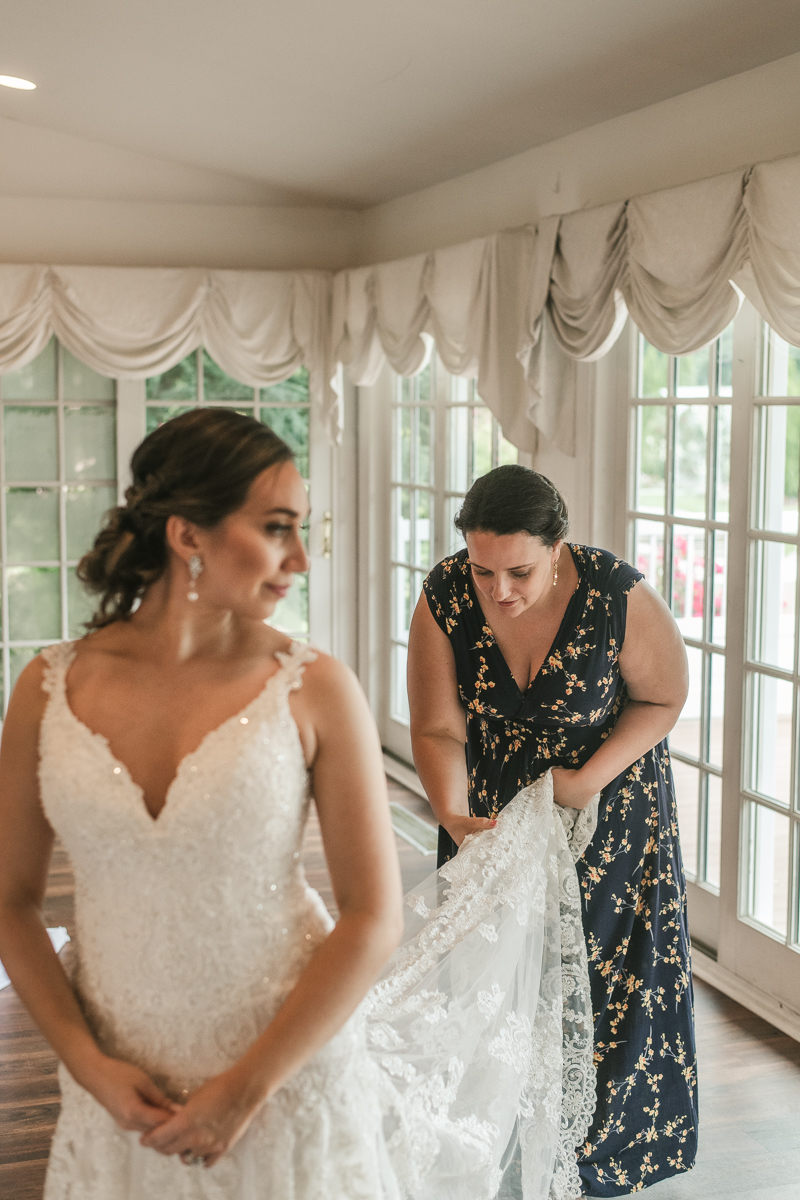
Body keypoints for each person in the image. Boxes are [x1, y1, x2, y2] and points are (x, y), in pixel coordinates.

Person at [0, 409, 405, 1198]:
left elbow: (372, 917)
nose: (302, 558)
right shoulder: (45, 688)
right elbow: (9, 902)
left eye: (304, 529)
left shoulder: (315, 686)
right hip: (120, 1093)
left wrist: (246, 1089)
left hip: (283, 1082)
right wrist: (89, 1069)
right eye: (278, 527)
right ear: (188, 535)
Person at [408, 464, 698, 1198]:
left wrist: (585, 780)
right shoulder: (445, 595)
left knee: (606, 975)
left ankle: (600, 1157)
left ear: (558, 547)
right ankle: (505, 1140)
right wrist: (452, 815)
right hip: (492, 813)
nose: (499, 591)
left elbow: (664, 697)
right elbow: (439, 726)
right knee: (498, 976)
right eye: (483, 570)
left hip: (609, 805)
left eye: (519, 571)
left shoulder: (614, 594)